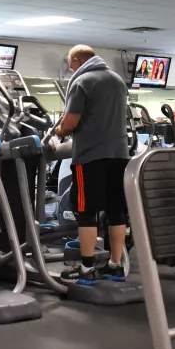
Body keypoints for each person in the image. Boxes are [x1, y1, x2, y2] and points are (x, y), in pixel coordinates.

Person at [54, 45, 129, 282]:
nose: (70, 68)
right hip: (119, 155)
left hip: (90, 156)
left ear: (77, 60)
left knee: (86, 211)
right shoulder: (118, 80)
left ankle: (86, 268)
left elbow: (70, 123)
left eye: (70, 63)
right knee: (116, 211)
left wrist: (59, 130)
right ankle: (115, 265)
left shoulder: (82, 82)